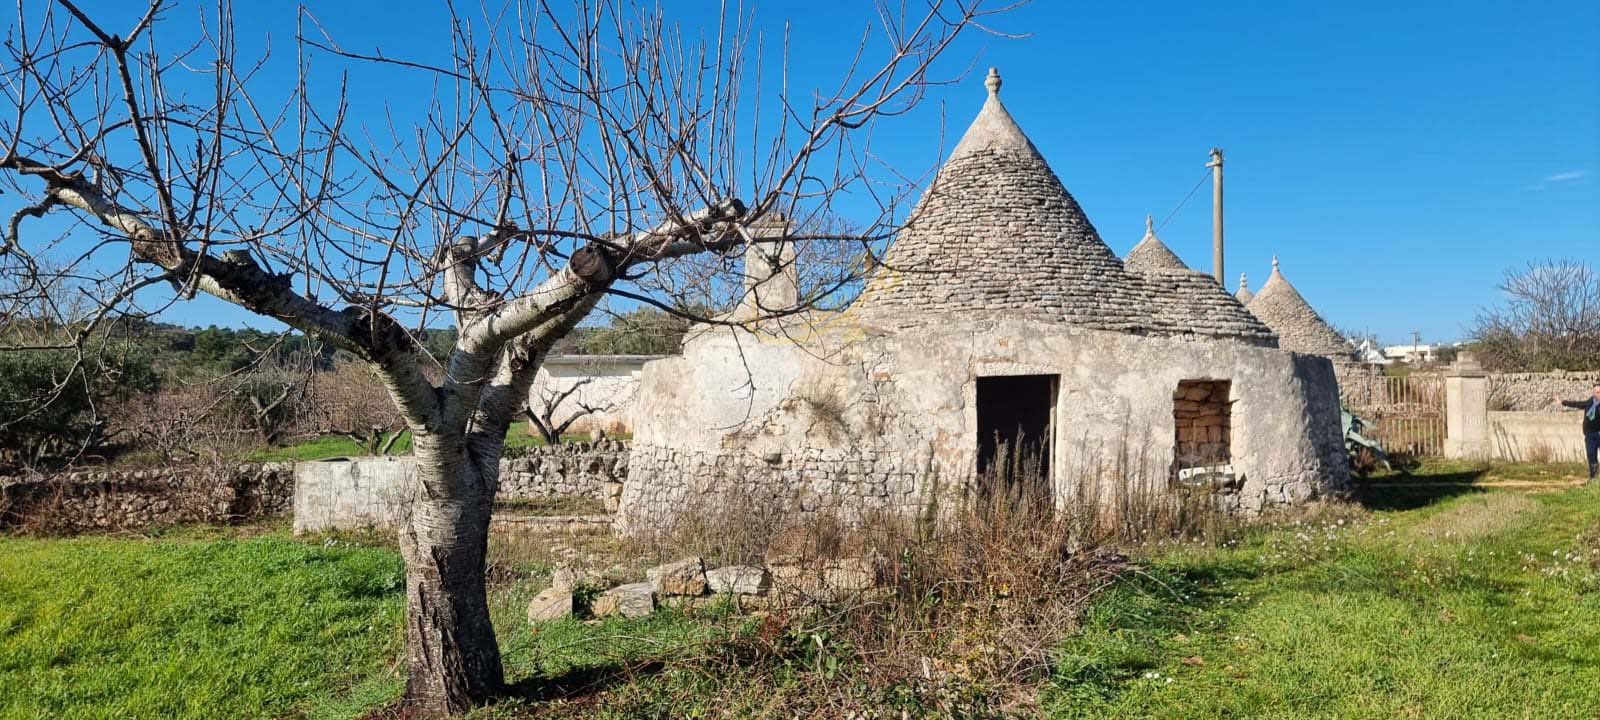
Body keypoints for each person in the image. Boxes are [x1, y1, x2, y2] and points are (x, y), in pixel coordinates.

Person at [1556, 384, 1600, 481]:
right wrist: (1563, 402)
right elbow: (1577, 404)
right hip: (1589, 434)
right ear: (1593, 393)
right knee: (1591, 455)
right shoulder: (1589, 402)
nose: (1599, 394)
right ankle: (1593, 477)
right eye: (1597, 392)